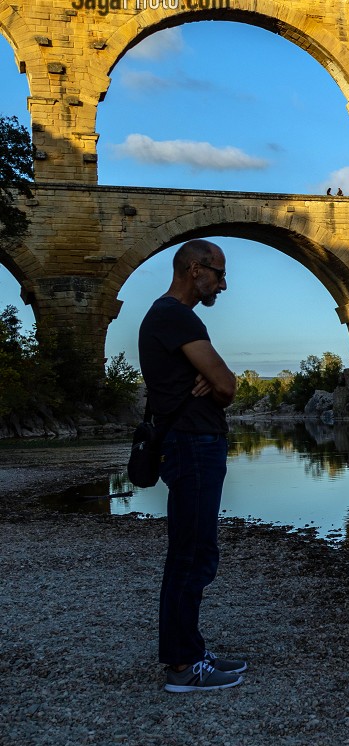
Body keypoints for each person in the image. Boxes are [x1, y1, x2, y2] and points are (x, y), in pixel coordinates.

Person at [137, 240, 245, 693]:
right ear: (194, 268)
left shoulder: (169, 317)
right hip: (192, 446)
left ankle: (192, 651)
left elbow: (218, 382)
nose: (222, 283)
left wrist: (214, 380)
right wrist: (216, 380)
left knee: (194, 550)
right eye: (218, 274)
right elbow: (227, 384)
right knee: (192, 554)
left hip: (190, 443)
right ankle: (182, 667)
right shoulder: (175, 315)